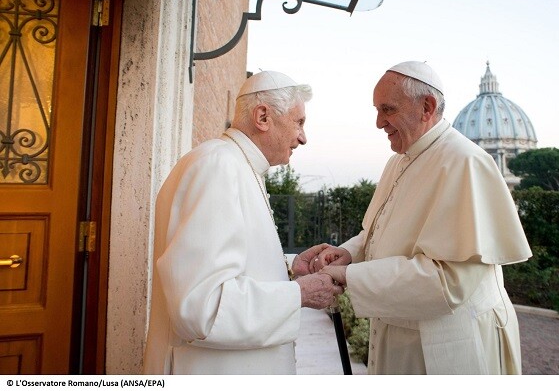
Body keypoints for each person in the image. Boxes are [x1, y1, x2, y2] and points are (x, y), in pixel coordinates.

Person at [313, 61, 533, 375]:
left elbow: (449, 281)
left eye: (387, 109)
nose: (378, 122)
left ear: (426, 107)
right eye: (377, 110)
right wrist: (348, 253)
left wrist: (350, 276)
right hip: (399, 333)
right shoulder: (398, 161)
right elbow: (375, 232)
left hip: (446, 345)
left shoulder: (465, 162)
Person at [143, 71, 343, 374]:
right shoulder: (219, 166)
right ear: (262, 116)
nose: (303, 137)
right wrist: (299, 293)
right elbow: (201, 307)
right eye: (299, 122)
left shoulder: (236, 165)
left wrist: (288, 277)